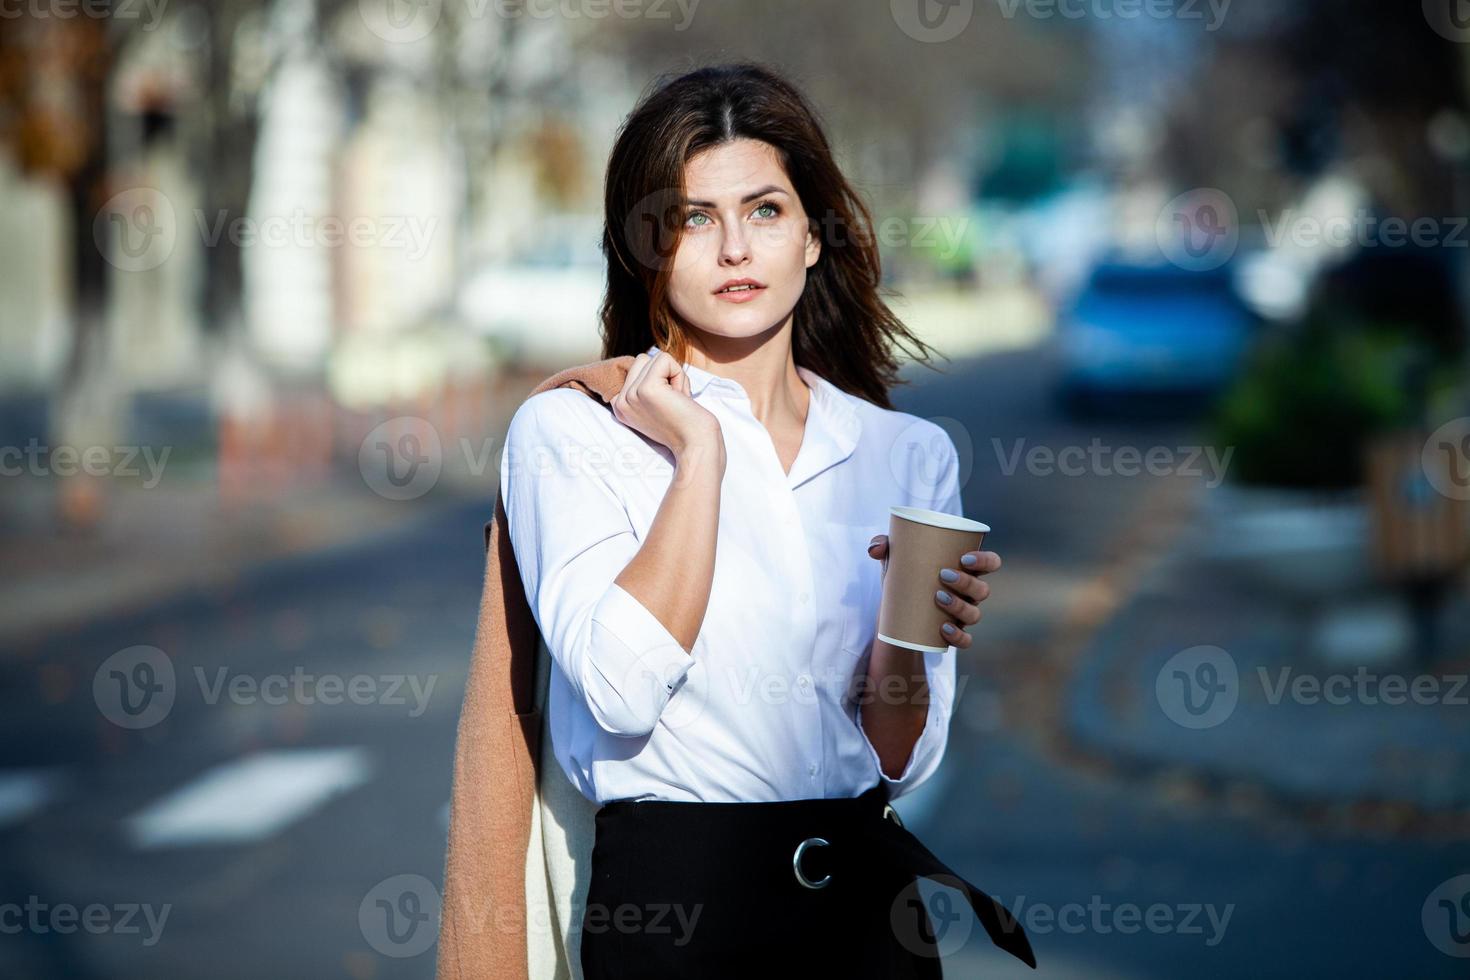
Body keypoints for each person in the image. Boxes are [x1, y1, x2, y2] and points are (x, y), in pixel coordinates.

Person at [498, 61, 1032, 978]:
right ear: (645, 246)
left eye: (766, 210)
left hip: (868, 919)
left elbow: (899, 760)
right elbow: (620, 692)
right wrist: (699, 457)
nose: (735, 249)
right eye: (696, 218)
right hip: (678, 920)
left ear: (815, 237)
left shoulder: (905, 454)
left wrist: (910, 626)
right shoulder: (571, 433)